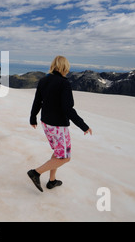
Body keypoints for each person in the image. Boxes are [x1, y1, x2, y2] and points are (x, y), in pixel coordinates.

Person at [27, 55, 92, 192]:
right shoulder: (64, 83)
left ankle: (52, 181)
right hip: (58, 126)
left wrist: (33, 117)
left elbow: (37, 101)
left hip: (46, 123)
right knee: (65, 157)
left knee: (58, 153)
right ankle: (36, 173)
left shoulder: (43, 80)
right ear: (65, 67)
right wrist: (83, 125)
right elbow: (68, 109)